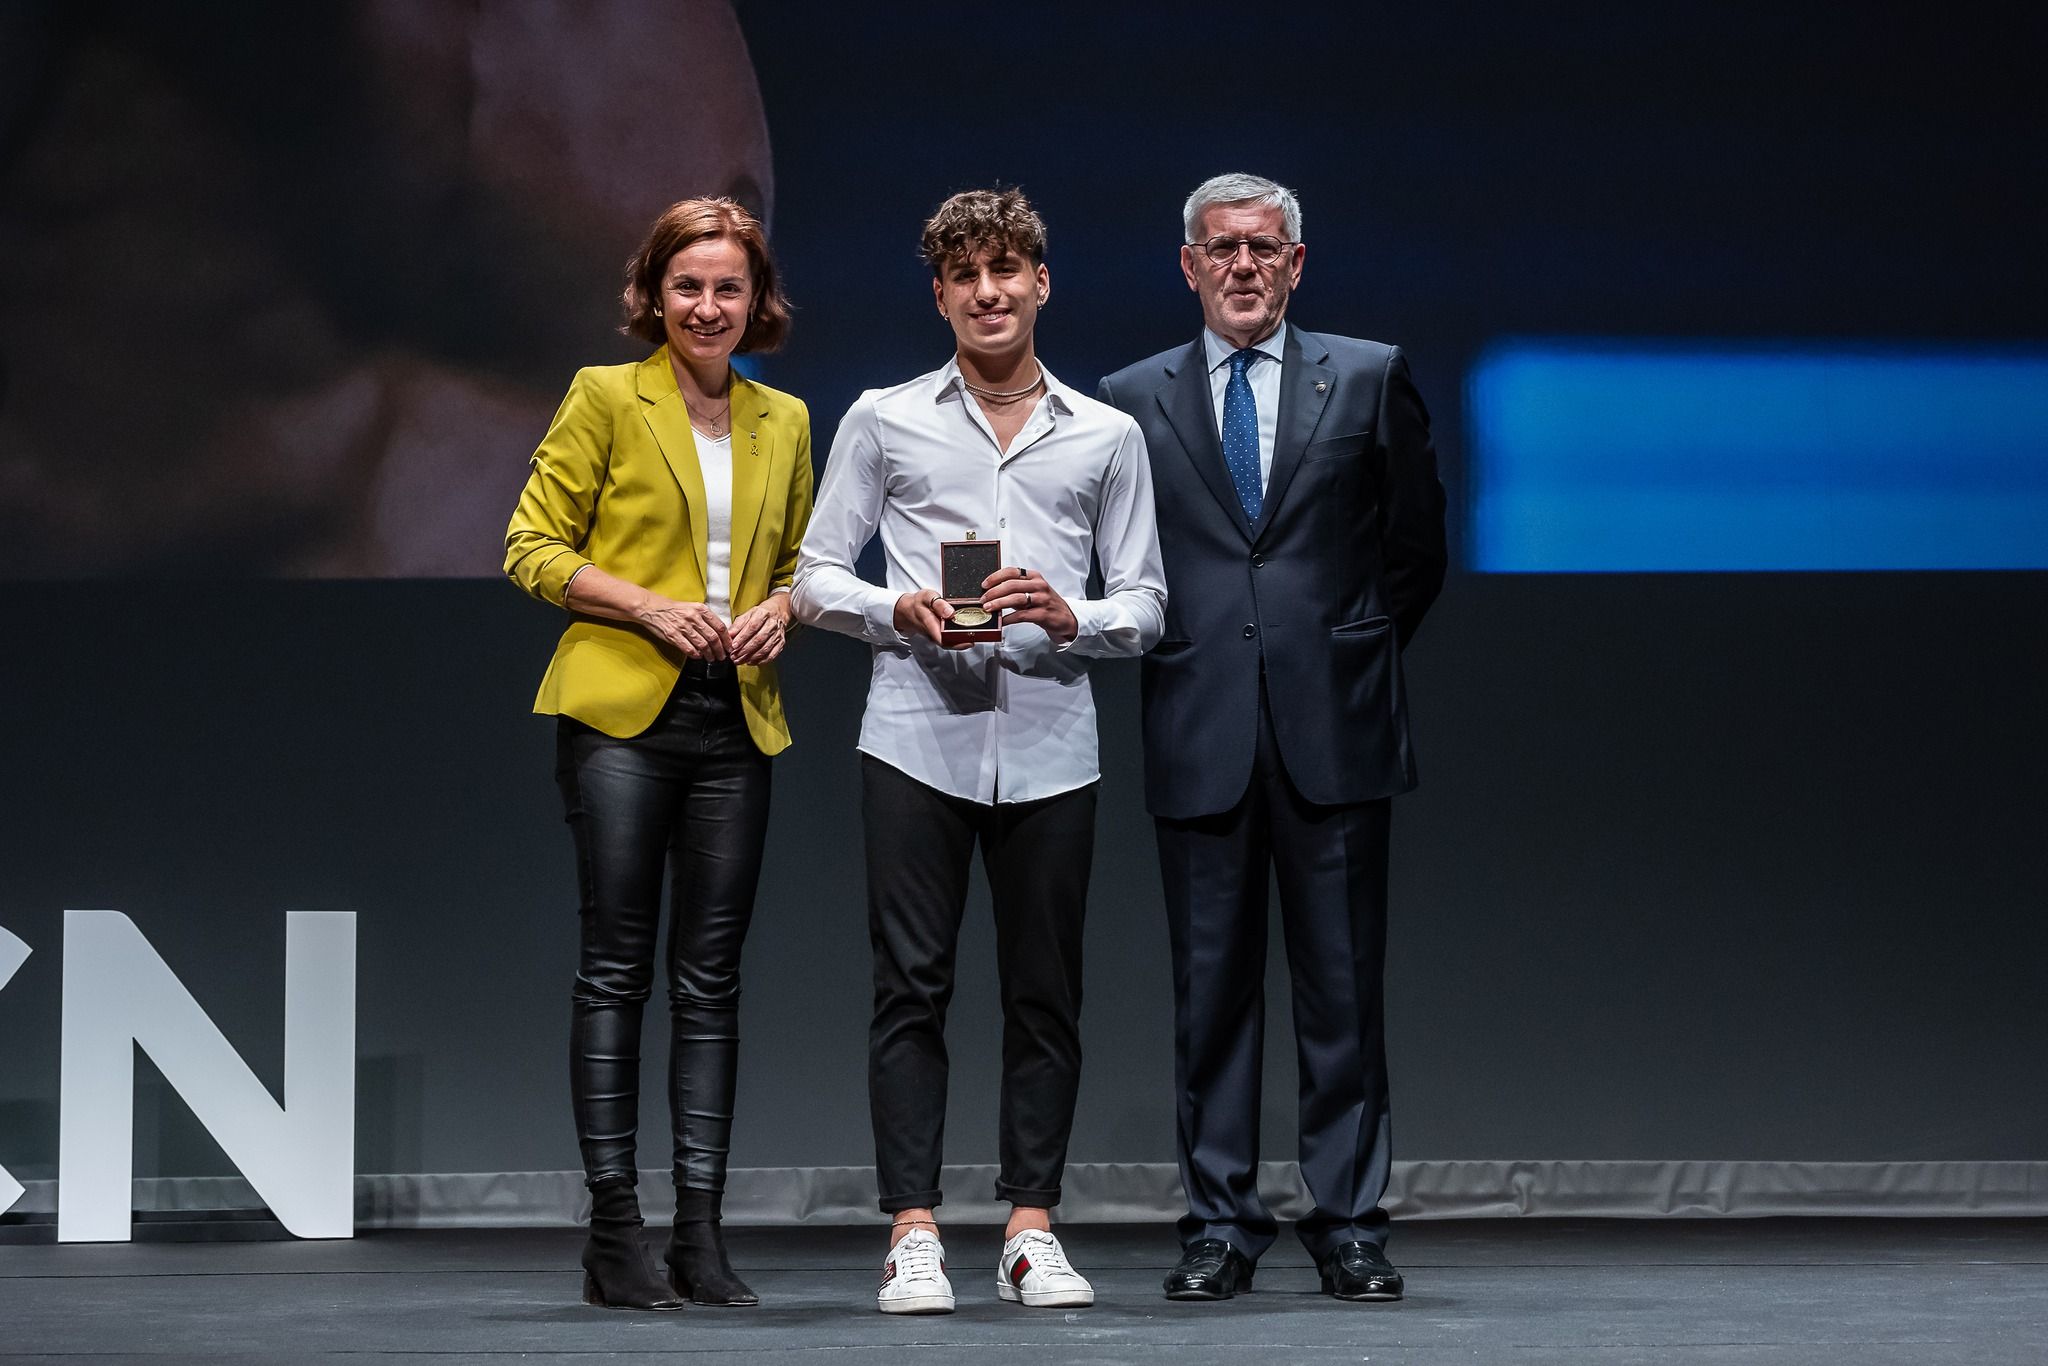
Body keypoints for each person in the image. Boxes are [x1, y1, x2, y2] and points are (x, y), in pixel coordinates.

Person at [792, 188, 1166, 1315]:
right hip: (913, 738)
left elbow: (1145, 602)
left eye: (1006, 270)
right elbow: (812, 576)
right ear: (940, 293)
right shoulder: (884, 417)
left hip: (1052, 744)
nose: (987, 291)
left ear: (1040, 283)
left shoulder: (1106, 434)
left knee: (1044, 993)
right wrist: (893, 609)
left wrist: (1071, 616)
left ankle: (1028, 1227)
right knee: (910, 985)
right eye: (964, 274)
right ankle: (911, 1230)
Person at [1097, 173, 1447, 1303]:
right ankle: (1218, 1221)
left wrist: (1335, 646)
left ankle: (1348, 1218)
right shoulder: (1129, 397)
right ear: (1187, 267)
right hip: (1198, 722)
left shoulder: (1372, 373)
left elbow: (1412, 549)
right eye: (1219, 249)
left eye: (1262, 248)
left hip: (1331, 725)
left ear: (1297, 263)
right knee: (1210, 993)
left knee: (1342, 988)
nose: (1241, 266)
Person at [504, 197, 813, 1310]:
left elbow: (802, 563)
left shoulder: (785, 419)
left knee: (711, 981)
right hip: (622, 715)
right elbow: (529, 547)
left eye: (728, 287)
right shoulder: (604, 396)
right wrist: (647, 606)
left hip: (735, 720)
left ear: (755, 300)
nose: (707, 306)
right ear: (654, 294)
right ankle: (614, 1233)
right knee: (616, 971)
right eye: (687, 285)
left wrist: (786, 606)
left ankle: (699, 1232)